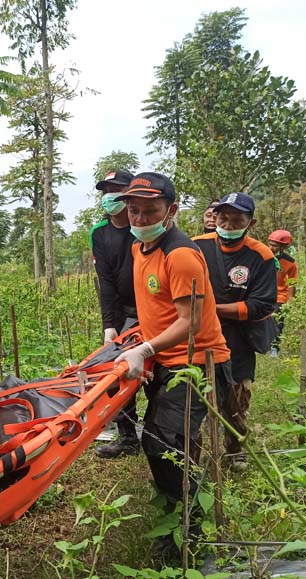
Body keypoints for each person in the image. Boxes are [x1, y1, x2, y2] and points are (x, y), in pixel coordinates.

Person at [113, 173, 232, 507]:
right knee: (170, 441)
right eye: (134, 210)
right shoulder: (140, 247)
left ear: (171, 210)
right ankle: (178, 505)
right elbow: (157, 307)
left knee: (162, 442)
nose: (139, 218)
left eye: (150, 211)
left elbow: (190, 322)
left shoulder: (179, 255)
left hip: (195, 363)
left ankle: (187, 522)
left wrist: (146, 348)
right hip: (167, 359)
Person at [193, 193, 277, 468]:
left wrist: (214, 309)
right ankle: (195, 454)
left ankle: (235, 448)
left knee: (237, 397)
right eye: (223, 217)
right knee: (200, 395)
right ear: (214, 217)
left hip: (238, 339)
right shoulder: (196, 247)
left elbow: (262, 304)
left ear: (250, 223)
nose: (228, 224)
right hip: (201, 336)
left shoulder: (261, 255)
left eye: (236, 219)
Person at [90, 169, 141, 458]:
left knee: (154, 371)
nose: (111, 195)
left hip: (153, 310)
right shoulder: (100, 233)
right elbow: (105, 280)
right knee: (119, 370)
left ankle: (161, 433)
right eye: (106, 190)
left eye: (117, 189)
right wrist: (110, 324)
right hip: (123, 311)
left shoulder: (143, 228)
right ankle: (127, 437)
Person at [268, 230, 298, 357]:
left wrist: (290, 299)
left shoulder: (289, 263)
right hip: (262, 293)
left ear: (283, 247)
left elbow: (292, 282)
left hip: (279, 295)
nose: (271, 247)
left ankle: (275, 347)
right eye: (270, 244)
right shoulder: (262, 256)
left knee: (278, 322)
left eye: (274, 245)